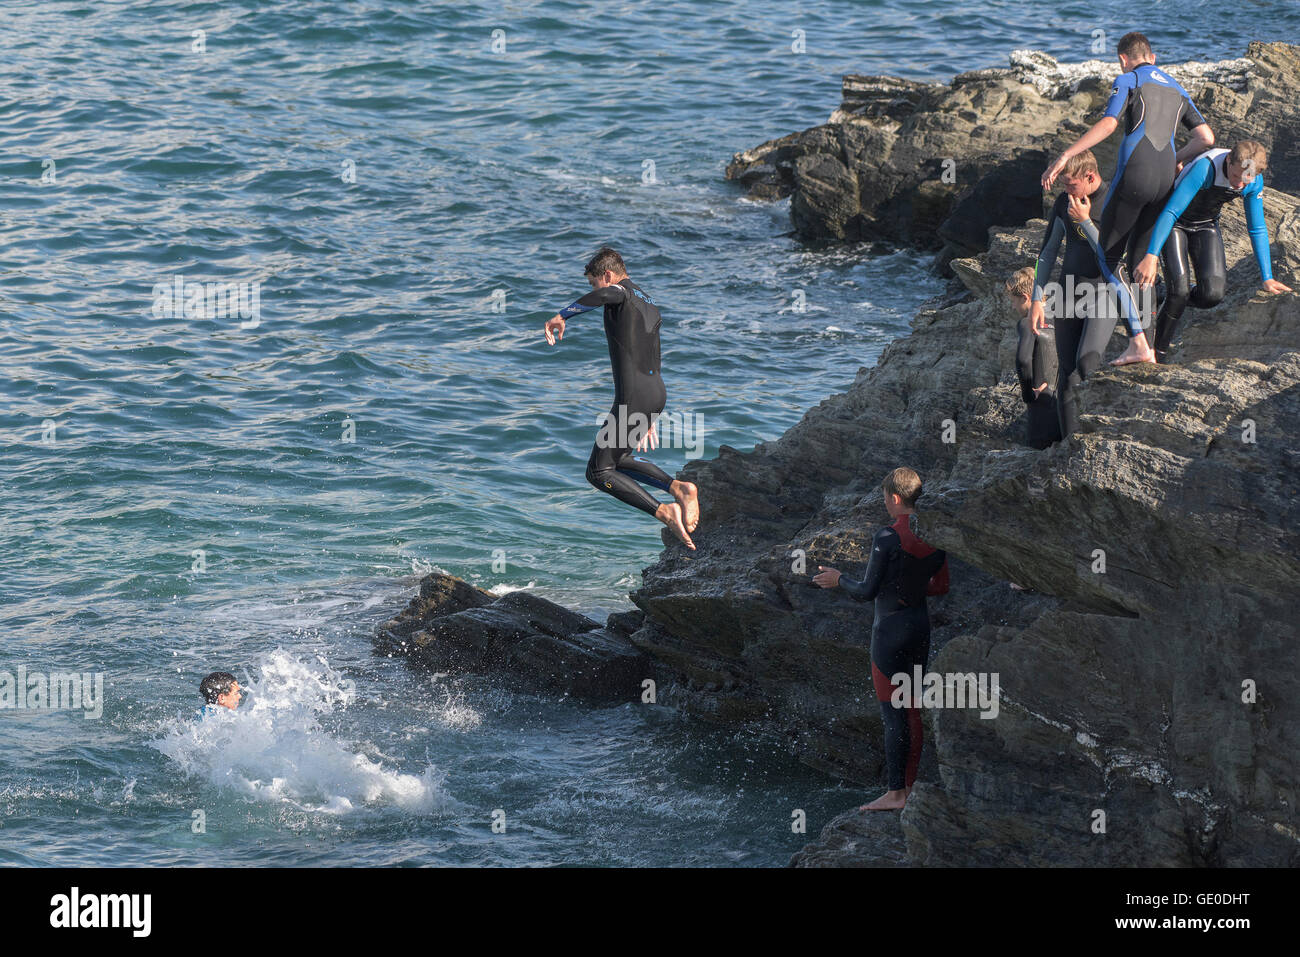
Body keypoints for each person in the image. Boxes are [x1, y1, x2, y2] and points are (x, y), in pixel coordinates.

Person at [1042, 31, 1214, 367]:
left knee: (1108, 259)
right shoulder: (1178, 88)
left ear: (1123, 58)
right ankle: (1148, 349)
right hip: (1166, 178)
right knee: (1141, 265)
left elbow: (1108, 124)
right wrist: (1177, 156)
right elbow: (1206, 137)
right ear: (1153, 57)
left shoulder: (1128, 78)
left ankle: (1136, 341)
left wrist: (1066, 155)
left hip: (1135, 175)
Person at [812, 467, 949, 811]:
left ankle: (894, 794)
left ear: (896, 498)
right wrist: (910, 587)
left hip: (889, 632)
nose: (886, 504)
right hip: (919, 627)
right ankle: (910, 787)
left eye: (886, 498)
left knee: (892, 713)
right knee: (912, 709)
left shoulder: (887, 537)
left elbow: (866, 591)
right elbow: (940, 586)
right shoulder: (936, 536)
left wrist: (838, 578)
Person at [543, 248, 699, 549]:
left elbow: (603, 297)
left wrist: (562, 315)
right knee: (620, 460)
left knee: (598, 472)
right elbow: (651, 350)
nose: (594, 289)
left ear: (607, 275)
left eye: (593, 283)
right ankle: (677, 487)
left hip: (637, 396)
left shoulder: (618, 291)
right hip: (653, 391)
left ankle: (666, 509)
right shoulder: (646, 300)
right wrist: (649, 414)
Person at [1132, 139, 1293, 362]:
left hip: (1206, 225)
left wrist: (1267, 277)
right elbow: (1170, 212)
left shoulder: (1252, 179)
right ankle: (1156, 354)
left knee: (1212, 295)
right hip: (1174, 222)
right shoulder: (1206, 167)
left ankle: (1160, 293)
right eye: (1235, 176)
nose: (1239, 185)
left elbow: (1257, 228)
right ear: (1228, 160)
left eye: (1246, 180)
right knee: (1179, 293)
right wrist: (1151, 255)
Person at [1030, 150, 1115, 437]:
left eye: (1070, 184)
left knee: (1087, 363)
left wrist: (1085, 222)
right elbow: (1048, 251)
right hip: (1069, 290)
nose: (1066, 191)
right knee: (1067, 373)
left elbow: (1112, 254)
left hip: (1105, 291)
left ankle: (1097, 432)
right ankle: (1069, 445)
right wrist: (1036, 299)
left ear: (1090, 177)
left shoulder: (1115, 199)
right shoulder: (1063, 202)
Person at [1006, 267, 1061, 448]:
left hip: (1041, 404)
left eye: (1013, 301)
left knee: (1037, 457)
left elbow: (1023, 360)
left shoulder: (1027, 322)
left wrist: (1028, 394)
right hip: (1061, 401)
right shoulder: (1060, 319)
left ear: (1025, 297)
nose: (1013, 307)